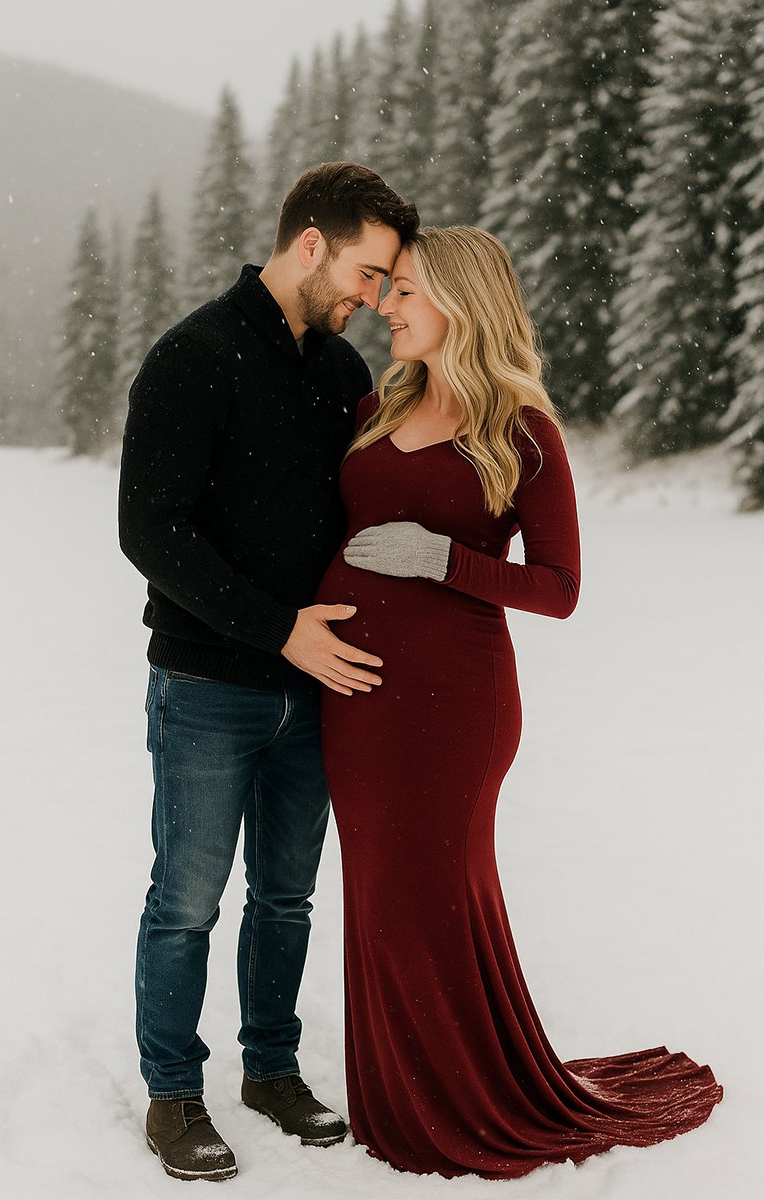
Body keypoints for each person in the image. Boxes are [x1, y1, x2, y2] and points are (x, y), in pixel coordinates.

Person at [317, 225, 722, 1179]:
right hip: (356, 700)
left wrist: (443, 558)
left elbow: (560, 586)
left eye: (407, 291)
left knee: (430, 898)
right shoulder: (380, 403)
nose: (387, 305)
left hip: (453, 706)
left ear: (461, 300)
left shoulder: (521, 429)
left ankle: (459, 1103)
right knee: (379, 899)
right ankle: (401, 1095)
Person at [118, 161, 419, 1182]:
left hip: (312, 689)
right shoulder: (192, 356)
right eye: (367, 275)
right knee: (186, 902)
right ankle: (172, 1094)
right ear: (309, 245)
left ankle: (271, 1070)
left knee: (285, 896)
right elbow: (149, 530)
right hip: (206, 687)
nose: (370, 300)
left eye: (384, 285)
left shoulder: (338, 376)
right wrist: (277, 629)